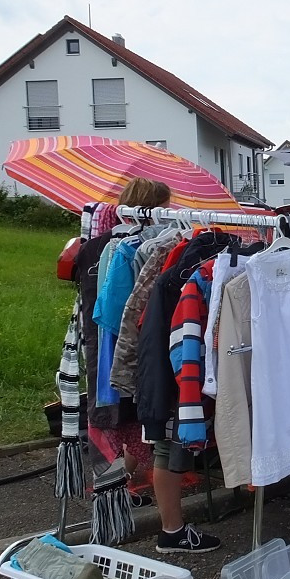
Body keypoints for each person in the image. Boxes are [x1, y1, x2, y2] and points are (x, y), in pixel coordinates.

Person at [115, 177, 222, 553]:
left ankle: (121, 495)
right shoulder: (156, 254)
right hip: (168, 362)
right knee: (166, 441)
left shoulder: (161, 249)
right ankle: (172, 531)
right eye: (165, 204)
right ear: (153, 206)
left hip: (160, 359)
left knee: (151, 434)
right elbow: (137, 318)